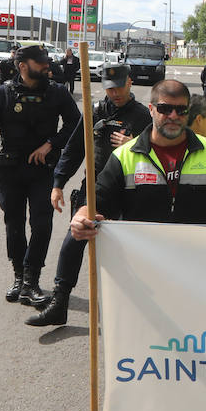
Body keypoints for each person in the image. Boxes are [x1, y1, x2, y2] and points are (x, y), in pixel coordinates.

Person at [69, 77, 206, 411]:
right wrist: (82, 220)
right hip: (140, 284)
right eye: (166, 108)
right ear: (152, 108)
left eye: (181, 110)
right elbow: (98, 205)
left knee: (201, 358)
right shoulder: (124, 157)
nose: (174, 116)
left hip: (196, 281)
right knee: (144, 363)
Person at [27, 64, 152, 327]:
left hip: (128, 191)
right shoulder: (96, 111)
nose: (115, 93)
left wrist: (135, 145)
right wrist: (58, 183)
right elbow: (74, 149)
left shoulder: (143, 116)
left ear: (129, 82)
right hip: (93, 190)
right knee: (73, 241)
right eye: (109, 88)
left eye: (119, 86)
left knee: (121, 255)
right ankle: (59, 303)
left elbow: (158, 155)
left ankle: (130, 312)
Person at [0, 43, 81, 306]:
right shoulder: (2, 93)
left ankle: (32, 280)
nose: (46, 66)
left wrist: (51, 144)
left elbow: (76, 125)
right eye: (40, 62)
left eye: (46, 61)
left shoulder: (57, 93)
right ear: (23, 66)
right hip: (10, 169)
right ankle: (19, 277)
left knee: (42, 225)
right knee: (14, 224)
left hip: (43, 170)